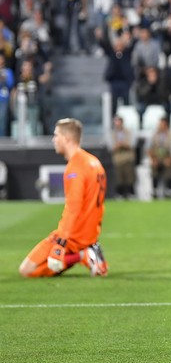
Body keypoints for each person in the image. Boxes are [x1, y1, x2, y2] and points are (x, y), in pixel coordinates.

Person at [19, 118, 108, 278]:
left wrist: (60, 244)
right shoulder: (94, 162)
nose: (54, 140)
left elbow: (73, 208)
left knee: (27, 270)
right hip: (89, 234)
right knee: (45, 264)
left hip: (74, 236)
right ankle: (88, 252)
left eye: (56, 135)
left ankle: (84, 255)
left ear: (66, 139)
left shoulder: (75, 167)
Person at [147, 116, 171, 199]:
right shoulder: (154, 135)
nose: (159, 126)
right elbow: (148, 149)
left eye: (161, 124)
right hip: (156, 158)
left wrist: (169, 159)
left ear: (166, 125)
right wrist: (153, 159)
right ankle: (154, 190)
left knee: (169, 171)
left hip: (167, 158)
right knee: (154, 169)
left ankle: (168, 191)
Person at [110, 115, 136, 199]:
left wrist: (123, 144)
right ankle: (119, 194)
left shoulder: (128, 132)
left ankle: (131, 194)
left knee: (130, 177)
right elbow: (111, 147)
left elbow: (132, 144)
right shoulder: (112, 134)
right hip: (118, 160)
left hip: (128, 159)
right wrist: (119, 145)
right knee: (119, 178)